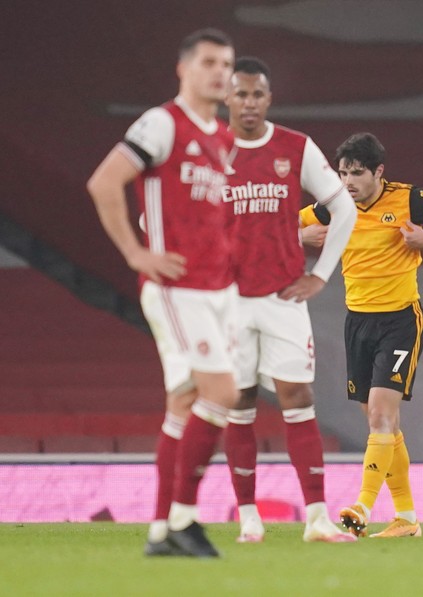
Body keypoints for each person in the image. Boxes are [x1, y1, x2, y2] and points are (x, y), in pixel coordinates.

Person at [87, 29, 239, 557]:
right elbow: (104, 183)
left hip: (216, 289)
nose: (220, 72)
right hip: (179, 288)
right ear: (184, 69)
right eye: (209, 62)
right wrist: (135, 253)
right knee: (223, 393)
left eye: (226, 64)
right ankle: (183, 518)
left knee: (184, 404)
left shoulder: (221, 135)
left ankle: (159, 531)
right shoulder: (160, 123)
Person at [299, 132, 423, 537]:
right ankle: (407, 519)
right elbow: (280, 229)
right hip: (356, 322)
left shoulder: (408, 199)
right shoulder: (334, 205)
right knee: (384, 426)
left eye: (356, 173)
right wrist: (301, 236)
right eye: (342, 172)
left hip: (399, 321)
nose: (347, 182)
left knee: (381, 416)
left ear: (378, 172)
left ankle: (362, 505)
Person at [222, 57, 357, 543]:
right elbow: (167, 216)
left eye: (257, 94)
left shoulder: (294, 148)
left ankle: (317, 518)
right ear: (227, 97)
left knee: (298, 399)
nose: (250, 103)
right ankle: (248, 517)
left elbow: (343, 205)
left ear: (269, 98)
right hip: (229, 303)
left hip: (283, 298)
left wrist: (321, 275)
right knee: (238, 404)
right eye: (241, 94)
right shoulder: (207, 151)